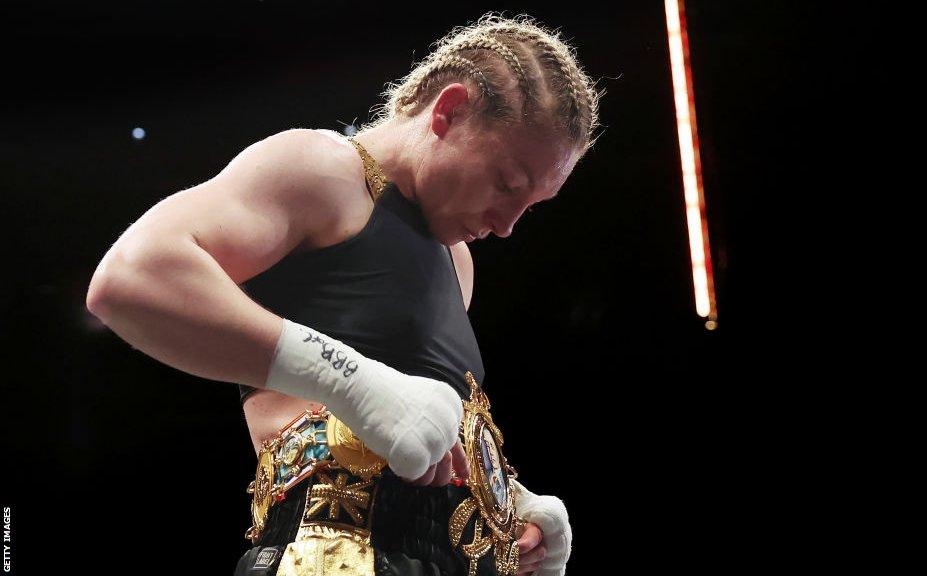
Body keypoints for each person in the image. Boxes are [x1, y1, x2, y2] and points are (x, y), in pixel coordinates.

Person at [85, 11, 602, 576]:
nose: (508, 225)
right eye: (507, 185)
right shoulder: (322, 170)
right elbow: (132, 278)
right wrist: (347, 378)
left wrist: (506, 507)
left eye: (532, 207)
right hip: (332, 552)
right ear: (450, 111)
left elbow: (408, 431)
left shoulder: (458, 263)